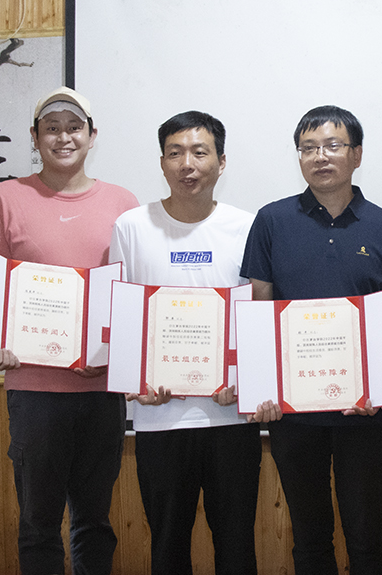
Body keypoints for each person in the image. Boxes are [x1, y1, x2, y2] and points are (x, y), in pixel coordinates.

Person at [0, 86, 139, 575]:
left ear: (91, 136)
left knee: (94, 521)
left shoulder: (123, 202)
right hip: (34, 389)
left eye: (74, 127)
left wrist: (111, 354)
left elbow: (131, 291)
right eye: (52, 128)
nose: (63, 137)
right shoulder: (5, 197)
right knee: (38, 523)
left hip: (100, 388)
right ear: (34, 137)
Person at [241, 105, 382, 575]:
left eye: (333, 146)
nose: (320, 157)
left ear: (356, 154)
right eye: (308, 148)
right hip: (294, 414)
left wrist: (381, 389)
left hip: (364, 412)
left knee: (367, 535)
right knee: (309, 536)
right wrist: (261, 388)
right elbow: (260, 307)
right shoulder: (272, 220)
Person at [109, 111, 260, 575]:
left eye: (199, 152)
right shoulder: (131, 226)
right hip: (160, 419)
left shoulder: (248, 227)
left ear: (221, 161)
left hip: (231, 417)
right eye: (175, 153)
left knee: (236, 546)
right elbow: (121, 314)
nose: (187, 164)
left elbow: (260, 314)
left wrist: (248, 382)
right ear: (162, 162)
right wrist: (135, 382)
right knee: (168, 547)